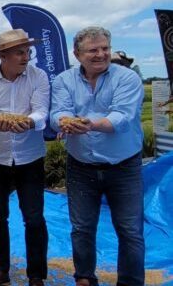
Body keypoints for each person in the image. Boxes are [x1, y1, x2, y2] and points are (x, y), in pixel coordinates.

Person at [50, 27, 145, 286]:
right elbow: (57, 112)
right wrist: (63, 121)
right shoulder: (63, 80)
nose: (101, 54)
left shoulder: (127, 78)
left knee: (130, 230)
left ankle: (130, 282)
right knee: (81, 228)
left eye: (105, 48)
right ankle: (84, 279)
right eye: (93, 50)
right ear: (77, 54)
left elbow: (122, 117)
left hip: (123, 165)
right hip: (81, 166)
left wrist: (85, 123)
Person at [0, 29, 49, 286]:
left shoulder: (38, 77)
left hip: (30, 157)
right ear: (3, 56)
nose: (26, 57)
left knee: (34, 217)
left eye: (27, 51)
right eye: (19, 52)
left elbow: (41, 111)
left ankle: (36, 275)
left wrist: (29, 122)